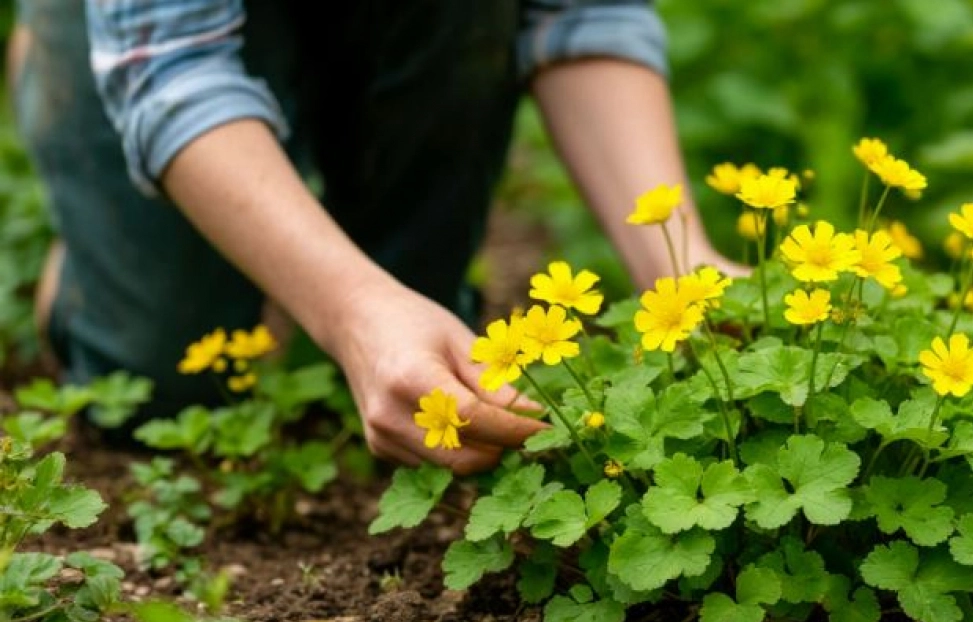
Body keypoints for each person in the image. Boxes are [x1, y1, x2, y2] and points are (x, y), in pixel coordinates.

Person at [9, 1, 739, 474]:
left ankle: (386, 313)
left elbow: (582, 11)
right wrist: (355, 311)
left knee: (435, 407)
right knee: (155, 390)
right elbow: (172, 68)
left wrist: (680, 265)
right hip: (160, 34)